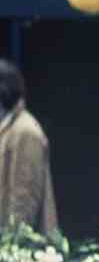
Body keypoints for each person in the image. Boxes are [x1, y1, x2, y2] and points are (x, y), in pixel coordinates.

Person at [0, 60, 59, 236]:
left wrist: (11, 250)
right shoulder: (8, 129)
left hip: (22, 252)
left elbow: (23, 202)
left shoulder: (25, 131)